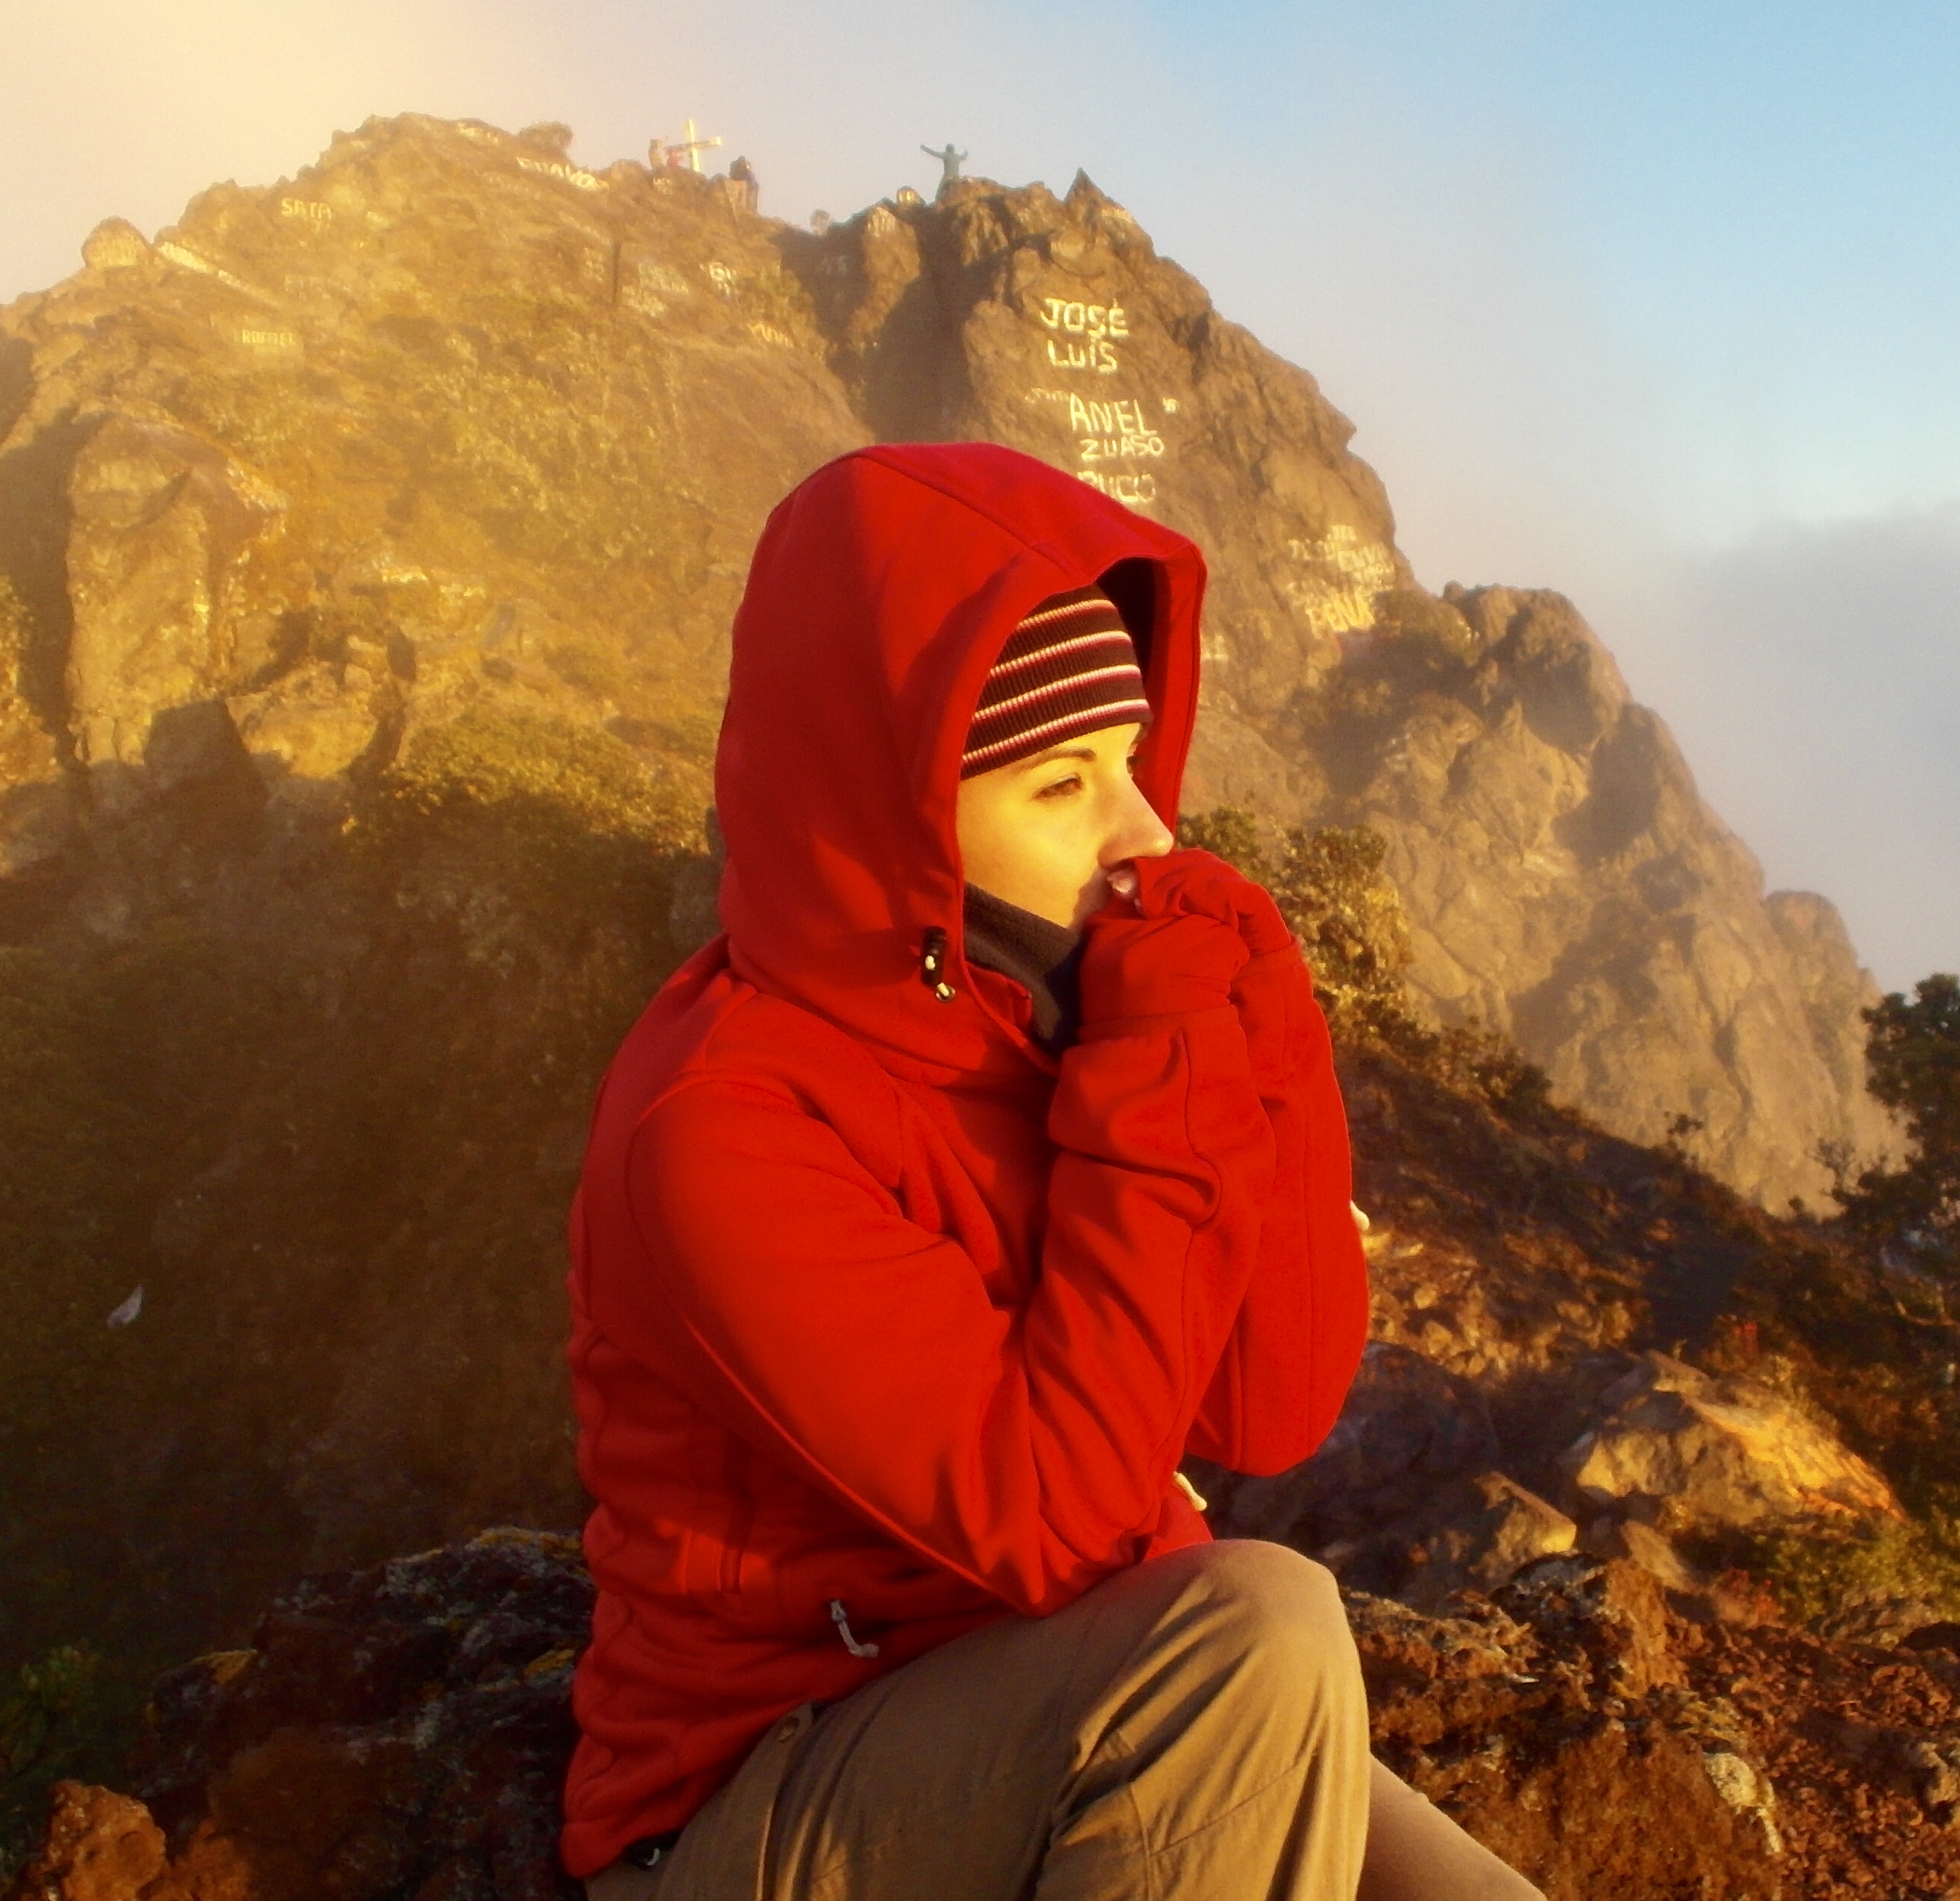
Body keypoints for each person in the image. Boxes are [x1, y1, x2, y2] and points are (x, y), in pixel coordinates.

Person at [565, 444, 1542, 1900]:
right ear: (893, 814)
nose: (1146, 831)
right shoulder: (721, 1128)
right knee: (1263, 1629)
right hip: (764, 1792)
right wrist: (1158, 1062)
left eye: (1133, 762)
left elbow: (1266, 1409)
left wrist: (1265, 1040)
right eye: (1063, 783)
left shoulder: (1036, 1017)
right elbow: (1055, 1517)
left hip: (1058, 1685)